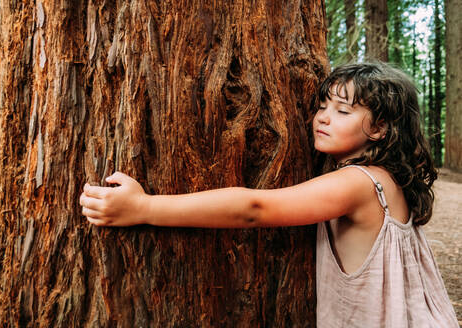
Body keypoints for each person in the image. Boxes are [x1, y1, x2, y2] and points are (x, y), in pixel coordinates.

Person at [79, 62, 459, 327]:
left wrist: (143, 207)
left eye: (343, 111)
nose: (322, 117)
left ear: (379, 129)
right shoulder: (388, 180)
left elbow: (254, 208)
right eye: (322, 106)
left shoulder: (358, 183)